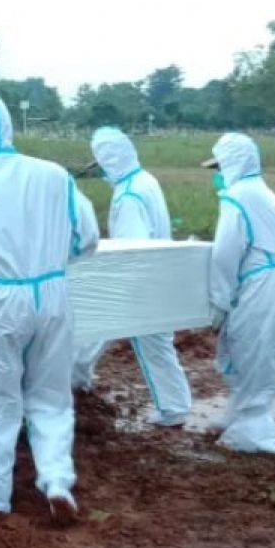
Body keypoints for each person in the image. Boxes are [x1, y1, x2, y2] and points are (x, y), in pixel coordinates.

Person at [0, 83, 99, 522]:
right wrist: (49, 259)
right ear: (9, 125)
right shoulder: (54, 175)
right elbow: (87, 238)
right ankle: (56, 480)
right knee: (51, 396)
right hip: (52, 293)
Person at [72, 126, 192, 426]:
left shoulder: (128, 197)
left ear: (109, 162)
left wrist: (115, 288)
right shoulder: (145, 180)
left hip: (138, 282)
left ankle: (71, 389)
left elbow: (131, 248)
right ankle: (175, 406)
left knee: (90, 333)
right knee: (155, 344)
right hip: (158, 275)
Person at [203, 133, 275, 453]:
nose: (216, 175)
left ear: (232, 163)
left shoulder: (239, 196)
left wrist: (219, 301)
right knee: (243, 346)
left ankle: (254, 435)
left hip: (267, 284)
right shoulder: (260, 193)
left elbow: (225, 253)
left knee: (255, 352)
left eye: (219, 167)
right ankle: (240, 414)